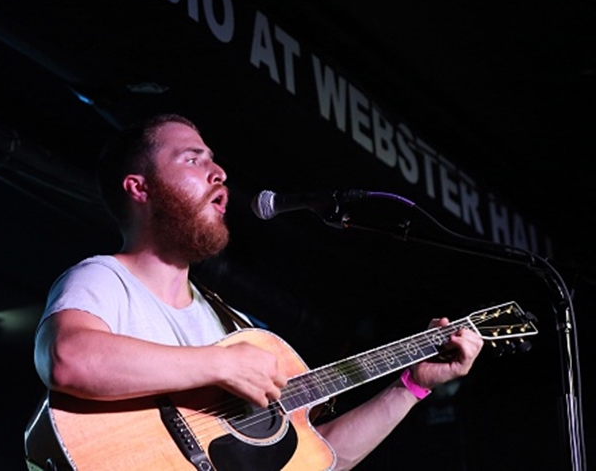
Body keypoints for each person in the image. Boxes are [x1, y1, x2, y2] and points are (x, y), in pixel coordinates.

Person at [32, 113, 484, 470]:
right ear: (139, 187)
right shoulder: (106, 279)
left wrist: (411, 386)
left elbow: (322, 459)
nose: (219, 172)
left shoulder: (233, 327)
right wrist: (221, 364)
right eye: (193, 159)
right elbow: (69, 359)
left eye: (213, 159)